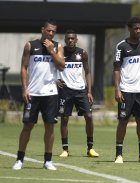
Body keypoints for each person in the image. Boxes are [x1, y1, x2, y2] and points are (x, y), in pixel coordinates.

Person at [12, 19, 65, 170]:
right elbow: (23, 67)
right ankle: (19, 160)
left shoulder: (57, 46)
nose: (51, 33)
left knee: (50, 127)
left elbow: (61, 66)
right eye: (48, 30)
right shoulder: (30, 45)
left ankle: (48, 161)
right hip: (33, 93)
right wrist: (24, 89)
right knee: (27, 126)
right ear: (42, 30)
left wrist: (52, 51)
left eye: (53, 31)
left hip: (50, 94)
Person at [113, 17, 140, 164]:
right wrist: (117, 89)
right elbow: (117, 69)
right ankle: (119, 154)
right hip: (126, 90)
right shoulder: (121, 46)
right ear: (130, 29)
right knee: (123, 121)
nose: (138, 30)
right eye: (135, 28)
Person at [57, 29, 99, 158]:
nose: (70, 40)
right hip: (65, 91)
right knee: (64, 119)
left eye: (72, 38)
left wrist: (89, 91)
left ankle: (90, 148)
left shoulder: (82, 53)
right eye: (68, 38)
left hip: (80, 91)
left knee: (89, 116)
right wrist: (55, 79)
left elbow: (87, 72)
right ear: (65, 40)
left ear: (76, 40)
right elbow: (51, 68)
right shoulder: (60, 53)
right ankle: (65, 149)